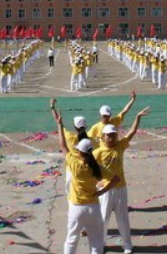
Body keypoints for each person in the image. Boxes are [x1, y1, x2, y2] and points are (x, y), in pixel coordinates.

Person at [52, 102, 120, 254]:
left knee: (71, 240)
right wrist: (102, 192)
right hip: (94, 207)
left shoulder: (74, 163)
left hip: (76, 207)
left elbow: (62, 145)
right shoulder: (96, 167)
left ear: (79, 151)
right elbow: (115, 179)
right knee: (96, 242)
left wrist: (59, 124)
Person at [93, 107, 150, 254]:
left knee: (122, 218)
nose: (112, 138)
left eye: (114, 135)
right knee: (103, 219)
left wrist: (137, 117)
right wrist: (95, 183)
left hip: (120, 188)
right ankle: (100, 244)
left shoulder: (120, 146)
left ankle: (127, 245)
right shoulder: (97, 152)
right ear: (103, 137)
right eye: (109, 135)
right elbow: (90, 169)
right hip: (105, 190)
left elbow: (131, 133)